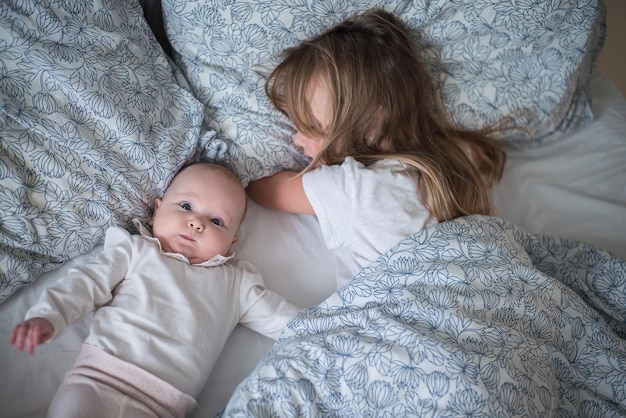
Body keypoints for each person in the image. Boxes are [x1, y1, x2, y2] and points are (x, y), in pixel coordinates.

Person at [9, 162, 299, 418]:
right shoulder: (136, 251)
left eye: (216, 221)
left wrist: (327, 325)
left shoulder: (235, 284)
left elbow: (284, 320)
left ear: (232, 241)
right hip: (97, 379)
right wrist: (48, 316)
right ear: (157, 210)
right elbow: (85, 283)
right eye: (186, 206)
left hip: (162, 405)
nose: (196, 223)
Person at [247, 9, 506, 288]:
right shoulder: (450, 153)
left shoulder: (354, 189)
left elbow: (263, 189)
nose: (296, 140)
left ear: (373, 121)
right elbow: (477, 153)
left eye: (311, 126)